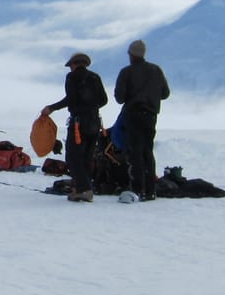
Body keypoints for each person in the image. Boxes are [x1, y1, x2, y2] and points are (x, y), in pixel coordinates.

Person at [41, 52, 108, 202]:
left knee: (74, 156)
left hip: (79, 122)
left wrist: (51, 108)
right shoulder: (95, 77)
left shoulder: (72, 77)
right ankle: (80, 188)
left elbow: (70, 99)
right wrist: (91, 107)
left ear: (74, 64)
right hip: (95, 121)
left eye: (70, 66)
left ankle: (83, 190)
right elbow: (104, 100)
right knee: (87, 157)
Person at [114, 39, 171, 201]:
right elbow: (165, 93)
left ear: (131, 54)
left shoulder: (126, 72)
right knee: (147, 151)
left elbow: (119, 97)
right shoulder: (156, 70)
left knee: (135, 152)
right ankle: (150, 190)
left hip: (133, 116)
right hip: (151, 116)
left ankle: (137, 189)